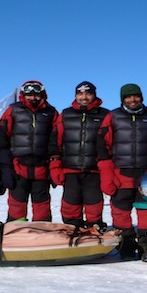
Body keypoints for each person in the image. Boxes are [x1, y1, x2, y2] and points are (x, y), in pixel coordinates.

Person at [97, 83, 147, 260]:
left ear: (141, 97)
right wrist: (107, 174)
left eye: (136, 96)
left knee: (146, 213)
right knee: (120, 212)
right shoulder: (113, 117)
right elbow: (103, 146)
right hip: (121, 173)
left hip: (146, 175)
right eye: (128, 97)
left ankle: (146, 247)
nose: (132, 100)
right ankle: (126, 247)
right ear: (122, 99)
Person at [50, 81, 109, 229]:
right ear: (75, 96)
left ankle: (94, 227)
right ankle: (72, 228)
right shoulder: (66, 114)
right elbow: (55, 142)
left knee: (94, 203)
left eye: (88, 94)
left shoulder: (105, 115)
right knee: (71, 203)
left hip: (94, 169)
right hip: (70, 169)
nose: (84, 97)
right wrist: (55, 165)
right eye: (80, 94)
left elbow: (111, 142)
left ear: (94, 95)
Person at [0, 80, 58, 222]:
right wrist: (5, 166)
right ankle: (16, 229)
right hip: (18, 166)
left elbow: (57, 139)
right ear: (23, 95)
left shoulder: (51, 112)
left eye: (36, 95)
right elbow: (2, 138)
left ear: (42, 95)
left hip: (42, 167)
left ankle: (41, 230)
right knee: (17, 204)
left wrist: (55, 165)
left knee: (42, 205)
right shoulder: (13, 110)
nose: (32, 98)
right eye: (29, 95)